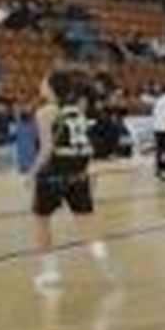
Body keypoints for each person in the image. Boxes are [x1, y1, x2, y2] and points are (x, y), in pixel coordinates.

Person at [30, 69, 112, 290]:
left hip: (54, 171)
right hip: (79, 171)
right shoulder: (77, 111)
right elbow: (86, 146)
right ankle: (105, 264)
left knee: (41, 220)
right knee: (86, 223)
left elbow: (46, 149)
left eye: (44, 81)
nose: (41, 85)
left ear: (51, 88)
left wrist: (32, 173)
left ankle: (50, 272)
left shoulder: (45, 112)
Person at [146, 82, 165, 181]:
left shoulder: (159, 101)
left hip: (157, 129)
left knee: (159, 151)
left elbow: (154, 114)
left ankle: (158, 170)